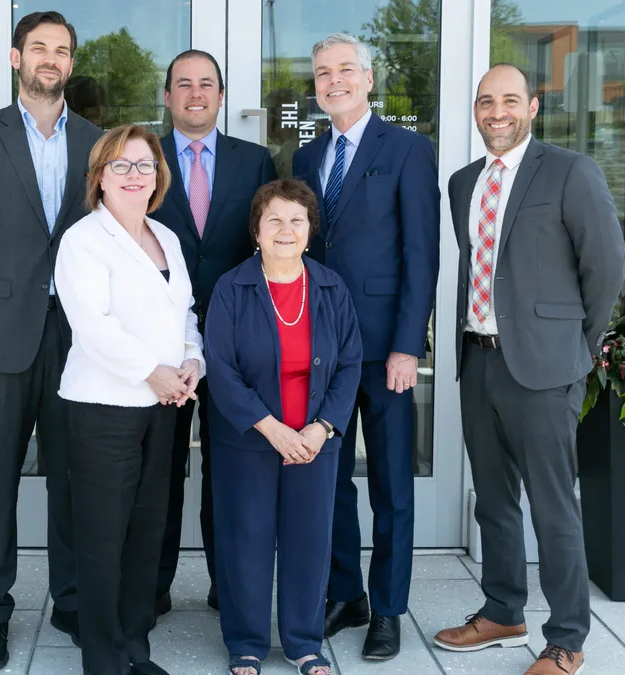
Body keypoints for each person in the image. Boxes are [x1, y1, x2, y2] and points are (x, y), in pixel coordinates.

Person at [432, 63, 624, 675]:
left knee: (552, 506)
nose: (497, 112)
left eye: (510, 100)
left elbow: (607, 268)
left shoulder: (569, 171)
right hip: (477, 359)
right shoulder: (463, 182)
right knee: (494, 500)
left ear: (534, 107)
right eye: (487, 101)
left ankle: (566, 637)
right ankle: (502, 611)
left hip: (545, 369)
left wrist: (577, 348)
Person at [0, 10, 103, 671]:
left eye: (62, 51)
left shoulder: (95, 140)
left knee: (71, 476)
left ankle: (69, 599)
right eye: (40, 48)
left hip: (79, 340)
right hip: (2, 340)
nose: (51, 60)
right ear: (16, 58)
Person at [291, 33, 440, 659]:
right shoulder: (305, 159)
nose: (334, 82)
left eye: (345, 70)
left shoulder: (406, 149)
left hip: (384, 350)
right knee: (330, 480)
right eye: (323, 73)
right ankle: (346, 593)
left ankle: (388, 608)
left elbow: (421, 255)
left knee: (389, 483)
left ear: (369, 78)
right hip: (322, 348)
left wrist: (410, 345)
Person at [54, 124, 203, 675]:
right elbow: (93, 327)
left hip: (164, 407)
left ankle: (135, 650)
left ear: (159, 177)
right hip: (105, 408)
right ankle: (104, 659)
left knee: (146, 535)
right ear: (99, 177)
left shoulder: (166, 237)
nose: (135, 175)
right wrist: (153, 373)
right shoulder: (83, 240)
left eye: (144, 165)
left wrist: (192, 360)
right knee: (102, 540)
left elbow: (183, 313)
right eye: (121, 165)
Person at [205, 179, 362, 675]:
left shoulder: (331, 288)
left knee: (309, 541)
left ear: (310, 231)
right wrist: (271, 429)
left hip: (315, 443)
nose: (285, 229)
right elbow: (221, 368)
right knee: (246, 538)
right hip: (250, 440)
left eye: (297, 220)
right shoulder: (232, 287)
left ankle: (303, 642)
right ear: (256, 230)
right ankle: (246, 643)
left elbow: (350, 365)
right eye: (274, 219)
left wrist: (322, 429)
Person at [149, 49, 277, 617]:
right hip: (161, 341)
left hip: (235, 342)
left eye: (206, 85)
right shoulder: (142, 158)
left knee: (230, 470)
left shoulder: (255, 161)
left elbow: (270, 246)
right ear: (169, 96)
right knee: (161, 469)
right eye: (184, 85)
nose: (195, 93)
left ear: (221, 96)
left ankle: (231, 587)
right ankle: (153, 586)